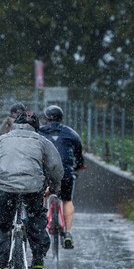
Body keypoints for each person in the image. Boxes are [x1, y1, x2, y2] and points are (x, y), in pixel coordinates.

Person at [0, 110, 64, 269]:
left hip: (4, 188)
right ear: (36, 127)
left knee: (2, 225)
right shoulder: (42, 142)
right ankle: (38, 256)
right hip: (33, 188)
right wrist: (54, 187)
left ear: (15, 124)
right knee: (36, 216)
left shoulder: (1, 140)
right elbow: (55, 167)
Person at [39, 104, 85, 249]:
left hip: (46, 172)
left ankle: (40, 228)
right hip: (65, 172)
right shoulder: (71, 133)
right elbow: (79, 154)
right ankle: (68, 233)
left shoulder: (39, 132)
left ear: (46, 118)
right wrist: (78, 166)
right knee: (67, 200)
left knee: (42, 196)